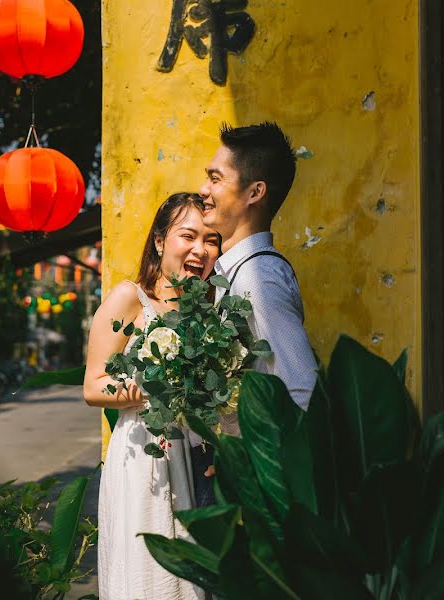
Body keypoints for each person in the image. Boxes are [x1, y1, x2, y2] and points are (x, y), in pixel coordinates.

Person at [84, 193, 221, 600]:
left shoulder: (210, 312)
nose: (200, 249)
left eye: (212, 240)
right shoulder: (128, 299)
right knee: (150, 576)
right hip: (146, 456)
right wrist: (145, 388)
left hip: (197, 459)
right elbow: (93, 385)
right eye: (189, 236)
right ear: (160, 242)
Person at [191, 121, 318, 506]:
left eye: (215, 178)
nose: (204, 190)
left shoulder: (257, 277)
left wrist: (254, 461)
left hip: (259, 491)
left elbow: (301, 390)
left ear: (254, 192)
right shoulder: (238, 273)